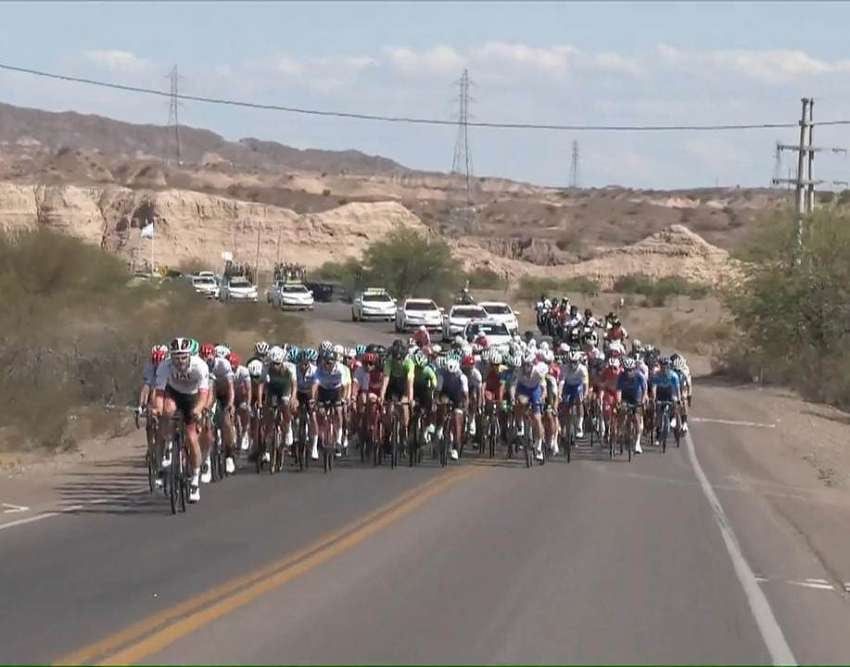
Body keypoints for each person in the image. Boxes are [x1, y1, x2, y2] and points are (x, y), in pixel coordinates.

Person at [151, 337, 210, 503]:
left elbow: (204, 394)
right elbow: (159, 393)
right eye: (176, 357)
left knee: (192, 438)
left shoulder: (200, 366)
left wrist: (198, 410)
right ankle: (168, 448)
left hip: (193, 396)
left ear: (190, 355)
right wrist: (157, 409)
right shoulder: (165, 366)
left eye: (183, 357)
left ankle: (195, 480)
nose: (180, 361)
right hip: (174, 393)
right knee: (167, 411)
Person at [510, 351, 548, 461]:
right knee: (520, 402)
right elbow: (513, 386)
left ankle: (539, 446)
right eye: (524, 364)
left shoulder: (538, 371)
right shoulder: (518, 371)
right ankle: (520, 426)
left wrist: (542, 398)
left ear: (533, 364)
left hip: (535, 390)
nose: (526, 367)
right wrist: (512, 398)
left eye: (528, 365)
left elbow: (544, 389)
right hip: (523, 390)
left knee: (537, 418)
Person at [380, 339, 415, 448]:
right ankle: (387, 434)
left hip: (403, 385)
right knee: (389, 409)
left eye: (400, 359)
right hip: (392, 384)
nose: (398, 361)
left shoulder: (409, 363)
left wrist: (410, 399)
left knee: (404, 408)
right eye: (396, 358)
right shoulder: (389, 361)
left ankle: (404, 432)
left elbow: (409, 384)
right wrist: (381, 396)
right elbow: (385, 380)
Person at [436, 357, 469, 460]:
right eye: (449, 373)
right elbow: (438, 392)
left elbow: (465, 395)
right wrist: (437, 401)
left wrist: (465, 407)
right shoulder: (442, 375)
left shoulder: (462, 377)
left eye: (453, 374)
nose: (451, 375)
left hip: (457, 396)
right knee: (442, 405)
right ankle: (441, 426)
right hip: (446, 394)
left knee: (457, 421)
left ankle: (455, 447)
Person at [616, 357, 647, 454]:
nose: (629, 372)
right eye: (626, 370)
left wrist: (642, 401)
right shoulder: (621, 376)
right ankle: (621, 430)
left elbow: (645, 390)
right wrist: (619, 402)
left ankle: (637, 443)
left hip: (636, 397)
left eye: (631, 370)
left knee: (637, 419)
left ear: (634, 369)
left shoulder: (640, 376)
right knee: (622, 411)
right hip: (625, 397)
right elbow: (619, 391)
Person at [650, 356, 682, 445]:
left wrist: (679, 399)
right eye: (662, 366)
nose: (664, 368)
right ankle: (658, 433)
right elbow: (654, 388)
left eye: (666, 366)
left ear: (669, 366)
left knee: (675, 401)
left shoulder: (674, 376)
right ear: (660, 366)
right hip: (660, 393)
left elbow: (677, 389)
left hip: (670, 393)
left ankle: (674, 417)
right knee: (658, 412)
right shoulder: (656, 375)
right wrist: (654, 398)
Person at [559, 350, 589, 441]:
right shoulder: (565, 368)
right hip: (568, 386)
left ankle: (579, 425)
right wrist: (559, 394)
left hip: (578, 386)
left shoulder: (582, 369)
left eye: (575, 362)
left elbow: (585, 384)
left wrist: (585, 395)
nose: (573, 364)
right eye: (571, 362)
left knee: (579, 400)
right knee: (565, 405)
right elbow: (562, 382)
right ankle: (564, 426)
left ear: (579, 361)